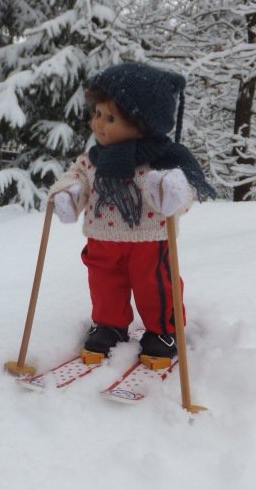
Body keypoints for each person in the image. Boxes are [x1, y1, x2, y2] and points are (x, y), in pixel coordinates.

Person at [49, 62, 216, 362]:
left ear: (144, 124)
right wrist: (70, 193)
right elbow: (78, 176)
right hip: (102, 238)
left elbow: (184, 192)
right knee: (104, 284)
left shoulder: (161, 160)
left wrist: (171, 193)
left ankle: (163, 331)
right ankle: (110, 326)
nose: (98, 124)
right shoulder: (93, 159)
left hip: (149, 240)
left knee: (155, 285)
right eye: (97, 113)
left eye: (110, 117)